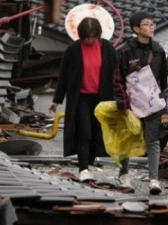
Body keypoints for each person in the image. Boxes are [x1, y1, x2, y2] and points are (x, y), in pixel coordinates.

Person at [49, 16, 117, 182]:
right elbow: (63, 76)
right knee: (83, 132)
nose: (90, 40)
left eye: (93, 37)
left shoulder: (106, 48)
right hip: (81, 98)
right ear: (81, 36)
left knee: (96, 132)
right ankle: (83, 168)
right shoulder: (73, 50)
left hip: (102, 98)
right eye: (87, 37)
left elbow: (117, 73)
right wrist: (56, 99)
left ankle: (91, 162)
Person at [113, 11, 168, 194]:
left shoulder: (159, 50)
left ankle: (154, 179)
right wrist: (122, 102)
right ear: (136, 29)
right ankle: (123, 174)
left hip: (152, 104)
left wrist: (164, 99)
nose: (151, 27)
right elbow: (117, 79)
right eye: (146, 24)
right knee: (128, 138)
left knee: (153, 141)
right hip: (131, 105)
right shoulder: (125, 51)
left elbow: (163, 79)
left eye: (152, 24)